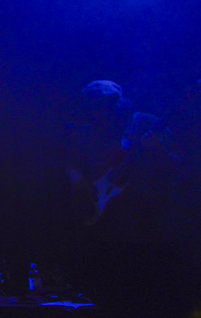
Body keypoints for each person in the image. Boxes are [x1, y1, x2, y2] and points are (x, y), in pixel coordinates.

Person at [63, 80, 183, 317]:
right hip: (109, 230)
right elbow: (71, 164)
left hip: (150, 226)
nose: (95, 118)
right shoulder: (91, 131)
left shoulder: (146, 124)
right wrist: (83, 183)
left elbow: (177, 167)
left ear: (115, 106)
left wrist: (159, 151)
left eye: (98, 112)